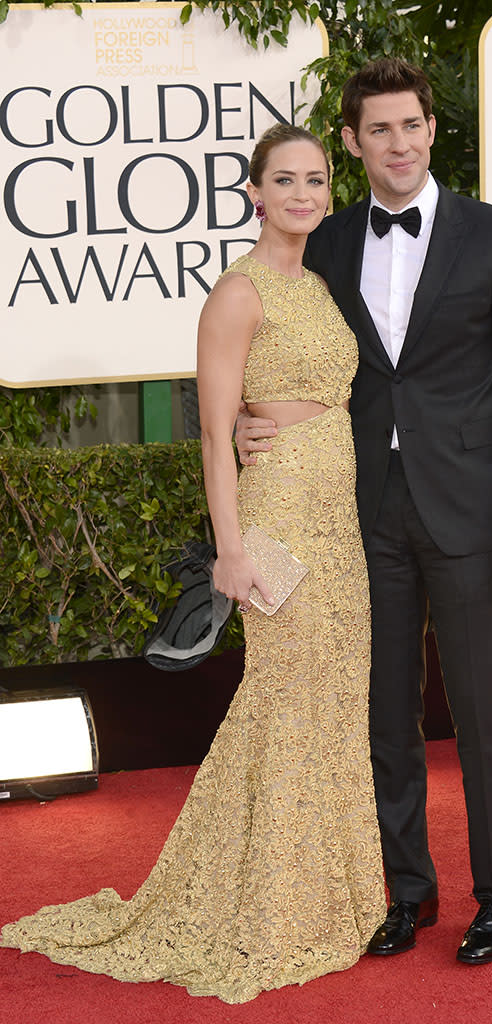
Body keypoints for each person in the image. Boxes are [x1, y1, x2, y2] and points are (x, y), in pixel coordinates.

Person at [0, 124, 386, 1003]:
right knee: (283, 699)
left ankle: (328, 898)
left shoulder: (322, 288)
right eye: (283, 180)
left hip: (339, 524)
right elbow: (216, 434)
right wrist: (231, 550)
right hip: (279, 516)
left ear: (330, 190)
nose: (302, 194)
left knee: (330, 703)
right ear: (255, 193)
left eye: (315, 180)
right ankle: (262, 909)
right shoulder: (236, 295)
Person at [236, 59, 492, 966]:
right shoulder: (327, 240)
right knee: (382, 713)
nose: (400, 143)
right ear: (352, 142)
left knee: (481, 706)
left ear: (430, 128)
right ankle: (406, 891)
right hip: (360, 514)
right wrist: (240, 427)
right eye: (379, 130)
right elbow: (259, 333)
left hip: (470, 514)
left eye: (412, 125)